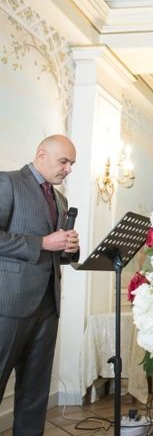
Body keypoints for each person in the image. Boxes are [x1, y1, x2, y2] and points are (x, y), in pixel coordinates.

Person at [0, 135, 79, 435]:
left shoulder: (61, 200)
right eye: (64, 161)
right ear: (42, 154)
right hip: (9, 305)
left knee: (35, 393)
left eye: (72, 164)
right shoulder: (7, 183)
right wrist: (42, 242)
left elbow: (55, 252)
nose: (68, 169)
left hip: (48, 306)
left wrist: (69, 249)